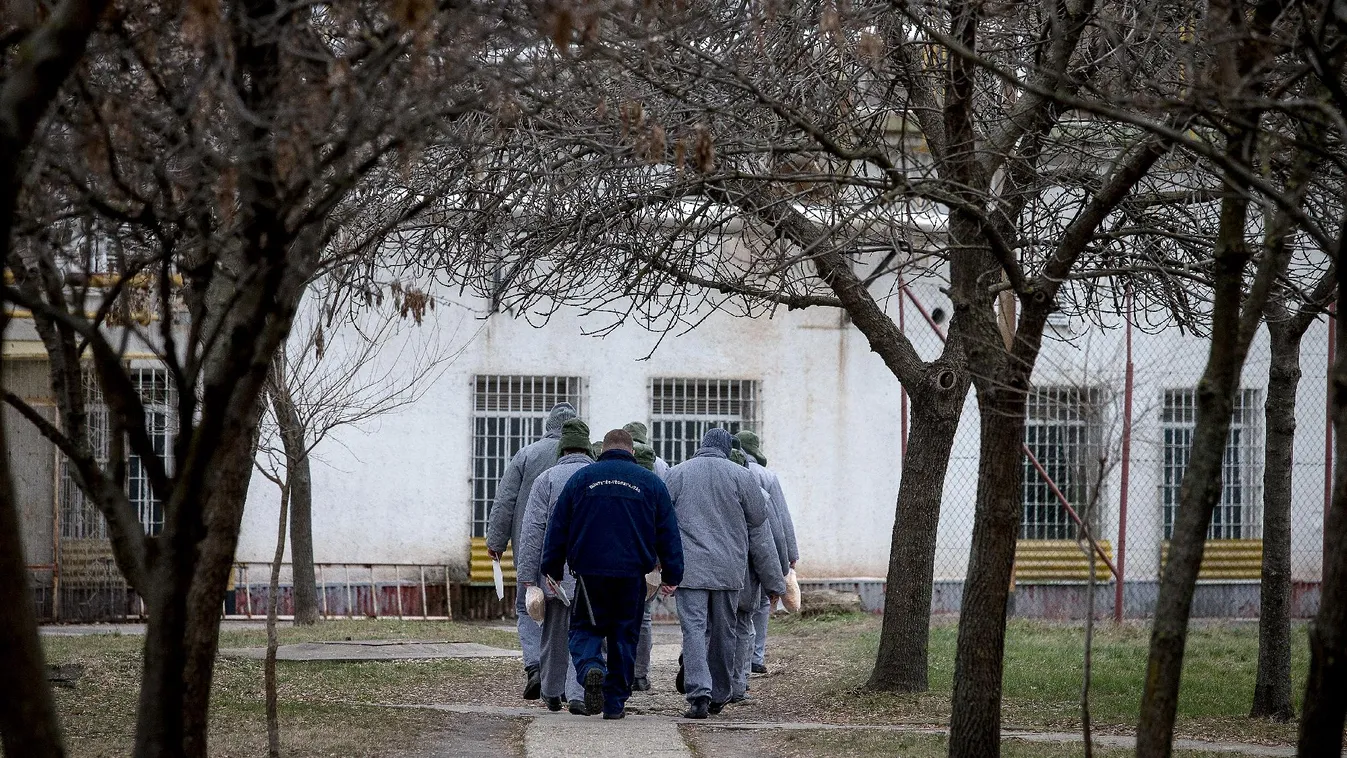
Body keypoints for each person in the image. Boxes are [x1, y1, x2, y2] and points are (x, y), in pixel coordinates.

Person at [541, 429, 684, 720]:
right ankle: (615, 703)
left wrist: (551, 568)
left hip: (589, 574)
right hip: (632, 575)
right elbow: (668, 533)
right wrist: (673, 574)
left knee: (584, 629)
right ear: (632, 452)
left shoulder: (581, 479)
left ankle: (591, 667)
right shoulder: (651, 483)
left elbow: (558, 527)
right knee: (624, 637)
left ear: (601, 451)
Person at [664, 428, 785, 719]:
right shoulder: (743, 477)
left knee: (694, 630)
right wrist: (774, 582)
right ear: (727, 450)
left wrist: (660, 565)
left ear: (701, 445)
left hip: (690, 570)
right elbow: (760, 534)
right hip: (729, 571)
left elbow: (662, 524)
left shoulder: (677, 474)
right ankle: (719, 693)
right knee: (724, 631)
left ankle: (698, 695)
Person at [486, 402, 578, 700]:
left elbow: (506, 501)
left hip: (530, 547)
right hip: (572, 551)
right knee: (568, 609)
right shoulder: (585, 459)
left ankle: (536, 667)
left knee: (530, 605)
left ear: (548, 425)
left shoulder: (526, 455)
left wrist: (496, 542)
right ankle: (563, 677)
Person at [515, 419, 594, 715]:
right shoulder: (597, 477)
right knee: (584, 633)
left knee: (553, 633)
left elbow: (532, 530)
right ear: (587, 446)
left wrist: (527, 577)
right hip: (590, 573)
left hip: (553, 573)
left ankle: (550, 690)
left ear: (562, 447)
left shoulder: (546, 479)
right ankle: (577, 693)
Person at [728, 445, 789, 703]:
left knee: (708, 628)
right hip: (744, 576)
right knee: (743, 627)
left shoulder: (700, 487)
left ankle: (706, 679)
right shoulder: (759, 495)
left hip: (707, 576)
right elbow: (771, 541)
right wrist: (778, 579)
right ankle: (738, 685)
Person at [736, 430, 798, 675]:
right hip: (765, 545)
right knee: (762, 601)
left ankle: (736, 657)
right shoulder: (766, 476)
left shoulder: (730, 469)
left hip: (736, 548)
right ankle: (756, 656)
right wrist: (789, 555)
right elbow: (780, 517)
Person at [624, 420, 668, 692]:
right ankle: (640, 674)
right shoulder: (660, 466)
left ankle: (618, 671)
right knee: (644, 615)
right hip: (651, 549)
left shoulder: (618, 463)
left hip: (622, 548)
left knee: (615, 613)